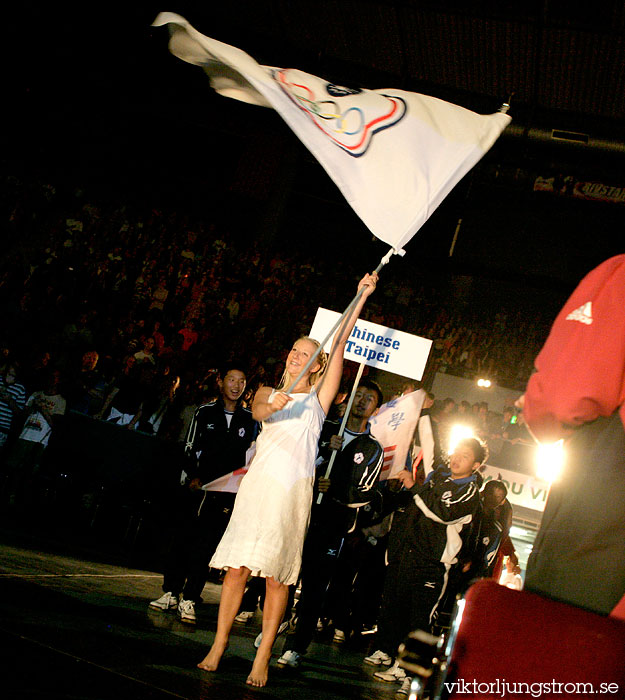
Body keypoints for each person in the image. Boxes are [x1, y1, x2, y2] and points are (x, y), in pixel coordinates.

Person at [197, 271, 378, 687]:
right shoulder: (264, 390)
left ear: (318, 364)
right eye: (294, 351)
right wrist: (271, 405)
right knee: (237, 571)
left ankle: (261, 658)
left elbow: (342, 343)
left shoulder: (319, 395)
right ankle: (219, 646)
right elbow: (260, 412)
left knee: (278, 578)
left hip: (292, 490)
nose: (297, 357)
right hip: (259, 487)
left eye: (306, 354)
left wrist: (359, 296)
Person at [519, 255, 625, 616]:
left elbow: (563, 399)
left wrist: (535, 408)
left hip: (603, 538)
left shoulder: (621, 276)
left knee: (559, 661)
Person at [365, 437, 486, 694]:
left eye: (464, 456)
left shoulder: (470, 492)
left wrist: (415, 487)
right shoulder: (439, 480)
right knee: (397, 609)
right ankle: (392, 657)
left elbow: (442, 513)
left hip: (433, 563)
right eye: (456, 453)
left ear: (475, 465)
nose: (456, 458)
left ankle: (412, 675)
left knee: (421, 619)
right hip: (410, 555)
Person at [277, 379, 384, 668]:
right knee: (283, 576)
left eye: (369, 399)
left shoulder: (373, 449)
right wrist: (323, 453)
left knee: (314, 586)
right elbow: (296, 462)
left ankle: (297, 647)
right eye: (358, 395)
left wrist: (333, 487)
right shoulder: (324, 428)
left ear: (375, 408)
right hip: (303, 512)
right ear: (345, 398)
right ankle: (277, 624)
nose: (362, 401)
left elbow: (365, 493)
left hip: (333, 526)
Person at [149, 365, 257, 623]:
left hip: (225, 492)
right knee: (182, 538)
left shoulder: (250, 419)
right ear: (221, 382)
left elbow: (250, 455)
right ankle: (171, 592)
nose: (236, 385)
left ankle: (190, 598)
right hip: (197, 488)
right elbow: (189, 446)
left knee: (207, 545)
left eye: (241, 381)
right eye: (232, 379)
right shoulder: (204, 412)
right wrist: (192, 474)